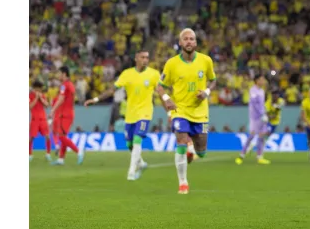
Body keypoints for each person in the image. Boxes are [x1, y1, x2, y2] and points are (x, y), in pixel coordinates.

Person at [156, 28, 217, 194]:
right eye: (186, 39)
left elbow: (213, 81)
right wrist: (167, 99)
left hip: (200, 112)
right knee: (181, 141)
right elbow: (159, 86)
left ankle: (192, 150)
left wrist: (207, 92)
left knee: (201, 152)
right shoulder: (172, 63)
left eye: (192, 39)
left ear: (196, 42)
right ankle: (183, 183)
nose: (189, 41)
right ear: (180, 43)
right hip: (180, 110)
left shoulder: (206, 61)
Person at [84, 50, 161, 180]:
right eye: (142, 57)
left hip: (145, 113)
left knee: (137, 139)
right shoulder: (127, 74)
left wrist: (169, 104)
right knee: (129, 144)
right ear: (136, 58)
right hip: (130, 114)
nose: (145, 60)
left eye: (147, 58)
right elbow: (112, 90)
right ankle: (141, 163)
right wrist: (96, 99)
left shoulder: (154, 74)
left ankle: (131, 172)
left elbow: (160, 90)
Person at [50, 67, 85, 165]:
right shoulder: (70, 84)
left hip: (65, 114)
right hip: (68, 113)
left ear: (64, 74)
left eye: (59, 73)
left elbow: (61, 99)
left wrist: (53, 110)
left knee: (61, 137)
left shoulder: (64, 85)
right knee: (63, 136)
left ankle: (79, 152)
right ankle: (61, 159)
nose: (58, 76)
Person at [235, 74, 271, 165]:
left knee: (262, 136)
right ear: (257, 80)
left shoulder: (262, 91)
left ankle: (259, 156)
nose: (263, 81)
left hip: (262, 116)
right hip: (255, 118)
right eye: (261, 79)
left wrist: (265, 113)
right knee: (251, 136)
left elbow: (261, 104)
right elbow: (255, 104)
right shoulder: (253, 90)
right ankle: (241, 155)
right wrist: (261, 114)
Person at [244, 88, 285, 156]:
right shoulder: (268, 103)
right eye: (274, 95)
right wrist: (271, 115)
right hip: (268, 121)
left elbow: (281, 105)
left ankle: (253, 146)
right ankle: (253, 148)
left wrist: (277, 107)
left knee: (265, 137)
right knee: (264, 134)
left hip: (276, 122)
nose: (276, 96)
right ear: (272, 95)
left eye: (277, 94)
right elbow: (268, 114)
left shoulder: (280, 101)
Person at [29, 81, 52, 162]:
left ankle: (48, 154)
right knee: (31, 138)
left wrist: (40, 98)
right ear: (35, 88)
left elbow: (46, 105)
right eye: (38, 89)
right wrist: (36, 98)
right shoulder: (30, 96)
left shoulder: (42, 96)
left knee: (47, 136)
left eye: (40, 89)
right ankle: (29, 154)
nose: (39, 91)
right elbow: (30, 107)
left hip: (43, 119)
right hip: (34, 119)